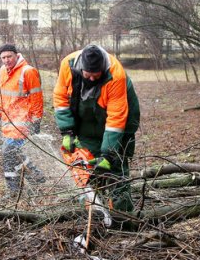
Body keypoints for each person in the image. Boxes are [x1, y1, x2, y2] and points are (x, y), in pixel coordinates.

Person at [54, 44, 140, 212]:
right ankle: (93, 210)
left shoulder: (116, 75)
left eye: (96, 75)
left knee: (116, 163)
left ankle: (122, 213)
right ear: (81, 68)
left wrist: (108, 154)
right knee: (87, 161)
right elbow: (61, 99)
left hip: (121, 118)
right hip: (86, 116)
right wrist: (67, 131)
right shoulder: (68, 65)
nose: (92, 79)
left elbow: (116, 118)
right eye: (88, 75)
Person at [0, 44, 45, 197]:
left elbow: (37, 97)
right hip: (8, 120)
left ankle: (13, 190)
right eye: (3, 57)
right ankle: (36, 175)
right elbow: (2, 95)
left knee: (8, 152)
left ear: (16, 55)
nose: (6, 60)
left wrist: (36, 120)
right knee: (14, 153)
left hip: (23, 121)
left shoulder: (28, 72)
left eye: (9, 56)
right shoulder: (2, 71)